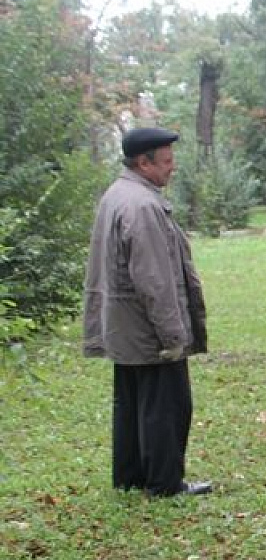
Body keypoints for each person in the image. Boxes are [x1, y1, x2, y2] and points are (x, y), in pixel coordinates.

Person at [83, 127, 213, 497]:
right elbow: (156, 280)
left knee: (131, 402)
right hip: (147, 329)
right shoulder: (142, 206)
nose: (173, 168)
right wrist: (174, 335)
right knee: (166, 405)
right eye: (167, 161)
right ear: (144, 162)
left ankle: (130, 476)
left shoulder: (117, 194)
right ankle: (164, 484)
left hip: (124, 327)